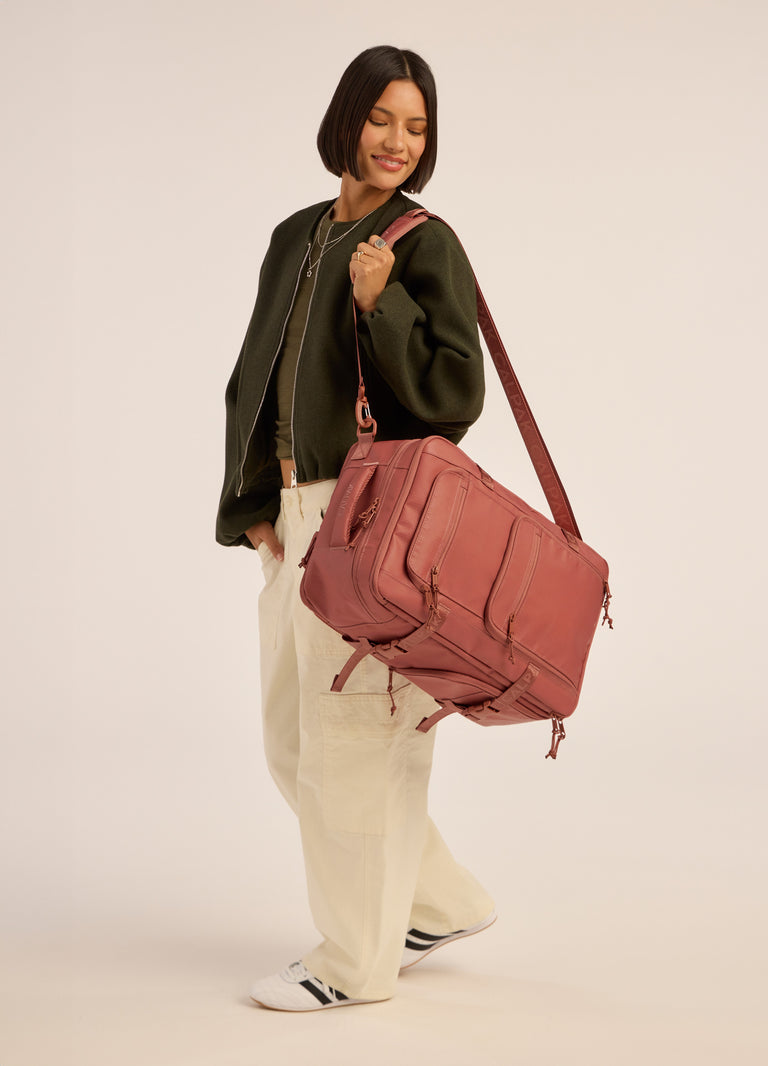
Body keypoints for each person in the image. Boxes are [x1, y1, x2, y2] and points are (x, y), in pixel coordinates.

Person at [216, 45, 495, 1011]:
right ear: (346, 118)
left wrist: (384, 304)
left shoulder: (424, 241)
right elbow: (254, 375)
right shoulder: (297, 234)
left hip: (371, 516)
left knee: (355, 743)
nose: (397, 142)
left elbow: (457, 392)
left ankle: (355, 964)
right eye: (382, 119)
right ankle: (439, 899)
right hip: (295, 519)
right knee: (294, 741)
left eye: (416, 127)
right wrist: (256, 506)